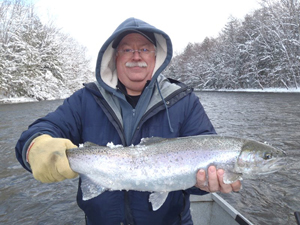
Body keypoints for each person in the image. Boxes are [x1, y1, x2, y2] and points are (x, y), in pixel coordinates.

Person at [15, 17, 241, 225]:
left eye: (144, 49)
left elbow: (204, 159)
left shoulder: (184, 101)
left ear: (156, 57)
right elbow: (36, 134)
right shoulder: (86, 100)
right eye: (127, 50)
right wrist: (37, 146)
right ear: (115, 58)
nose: (136, 56)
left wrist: (205, 185)